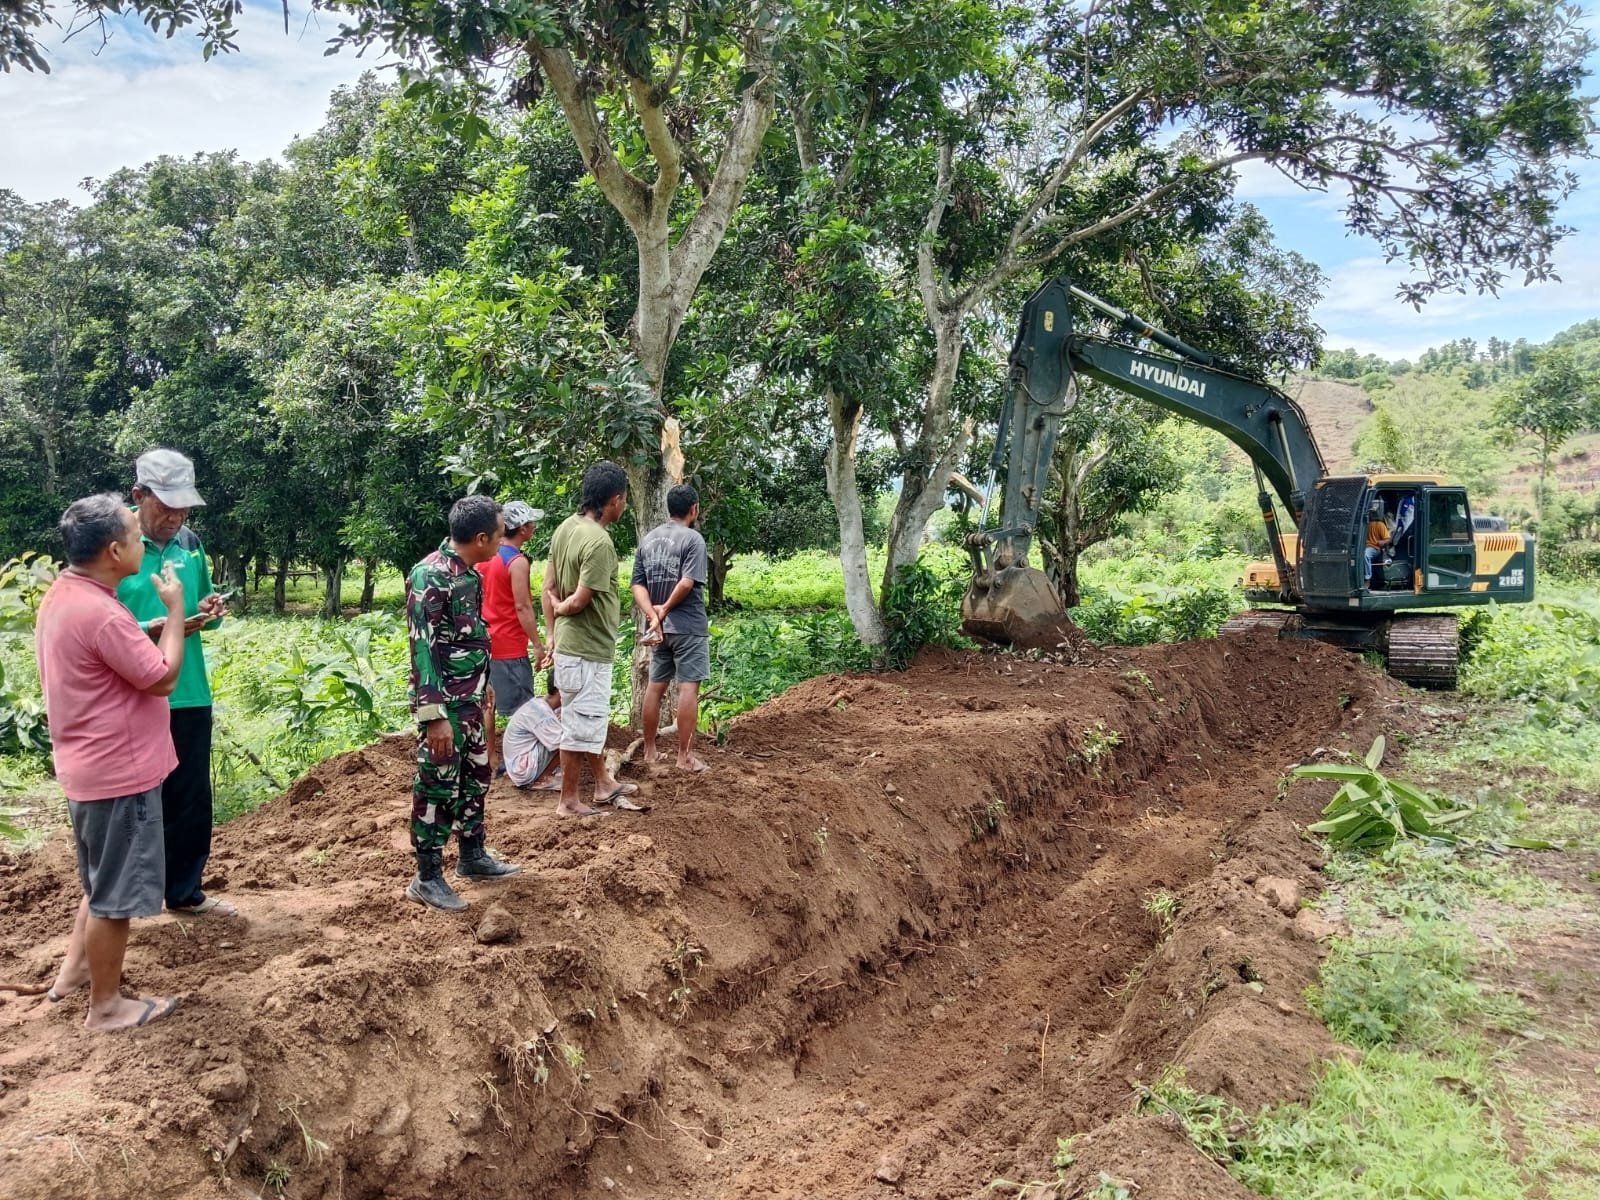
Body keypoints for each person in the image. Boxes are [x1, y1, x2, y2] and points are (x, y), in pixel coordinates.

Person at [37, 495, 188, 1030]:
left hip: (87, 767)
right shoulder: (102, 612)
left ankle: (74, 974)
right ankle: (106, 1006)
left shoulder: (66, 594)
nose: (142, 541)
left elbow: (108, 654)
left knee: (101, 881)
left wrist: (149, 629)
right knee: (116, 897)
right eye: (134, 534)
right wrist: (175, 610)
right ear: (114, 550)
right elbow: (163, 678)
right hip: (119, 773)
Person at [117, 449, 233, 917]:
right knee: (135, 799)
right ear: (138, 494)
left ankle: (184, 891)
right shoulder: (113, 540)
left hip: (187, 689)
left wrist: (208, 611)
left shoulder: (190, 542)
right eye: (166, 506)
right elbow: (96, 620)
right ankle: (127, 901)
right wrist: (153, 627)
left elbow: (202, 606)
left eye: (183, 508)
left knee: (189, 797)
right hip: (132, 692)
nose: (175, 517)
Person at [405, 495, 521, 911]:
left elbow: (470, 634)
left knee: (475, 778)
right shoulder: (429, 576)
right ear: (482, 538)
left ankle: (472, 855)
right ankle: (427, 876)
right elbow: (423, 648)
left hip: (470, 698)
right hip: (445, 706)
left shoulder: (469, 575)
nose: (504, 540)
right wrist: (433, 715)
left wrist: (483, 682)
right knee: (437, 786)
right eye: (501, 534)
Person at [543, 462, 644, 818]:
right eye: (625, 500)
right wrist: (562, 609)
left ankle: (603, 782)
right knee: (580, 723)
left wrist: (552, 630)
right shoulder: (599, 542)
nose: (624, 506)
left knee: (586, 719)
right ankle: (569, 800)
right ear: (614, 500)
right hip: (586, 647)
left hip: (573, 645)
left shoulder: (565, 528)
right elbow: (579, 600)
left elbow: (548, 586)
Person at [631, 483, 710, 773]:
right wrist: (664, 610)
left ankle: (650, 751)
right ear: (694, 509)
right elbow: (687, 582)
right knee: (688, 688)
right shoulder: (693, 539)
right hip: (687, 626)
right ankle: (685, 757)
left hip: (658, 630)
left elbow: (637, 584)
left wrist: (652, 615)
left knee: (655, 687)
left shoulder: (648, 540)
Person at [476, 500, 549, 721]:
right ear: (523, 528)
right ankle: (519, 746)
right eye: (531, 522)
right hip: (510, 646)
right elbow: (522, 606)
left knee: (488, 704)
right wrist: (537, 644)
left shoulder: (484, 558)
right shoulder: (516, 562)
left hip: (486, 642)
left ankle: (489, 746)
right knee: (523, 712)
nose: (534, 526)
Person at [501, 688, 564, 790]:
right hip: (523, 770)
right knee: (569, 740)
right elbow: (563, 742)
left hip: (517, 765)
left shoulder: (538, 704)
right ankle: (544, 778)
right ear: (560, 691)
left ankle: (545, 772)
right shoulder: (542, 713)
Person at [1365, 499, 1392, 587]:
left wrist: (1382, 542)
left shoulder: (1380, 524)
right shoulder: (1364, 524)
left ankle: (1367, 579)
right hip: (1363, 547)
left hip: (1374, 548)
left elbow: (1388, 539)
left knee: (1365, 555)